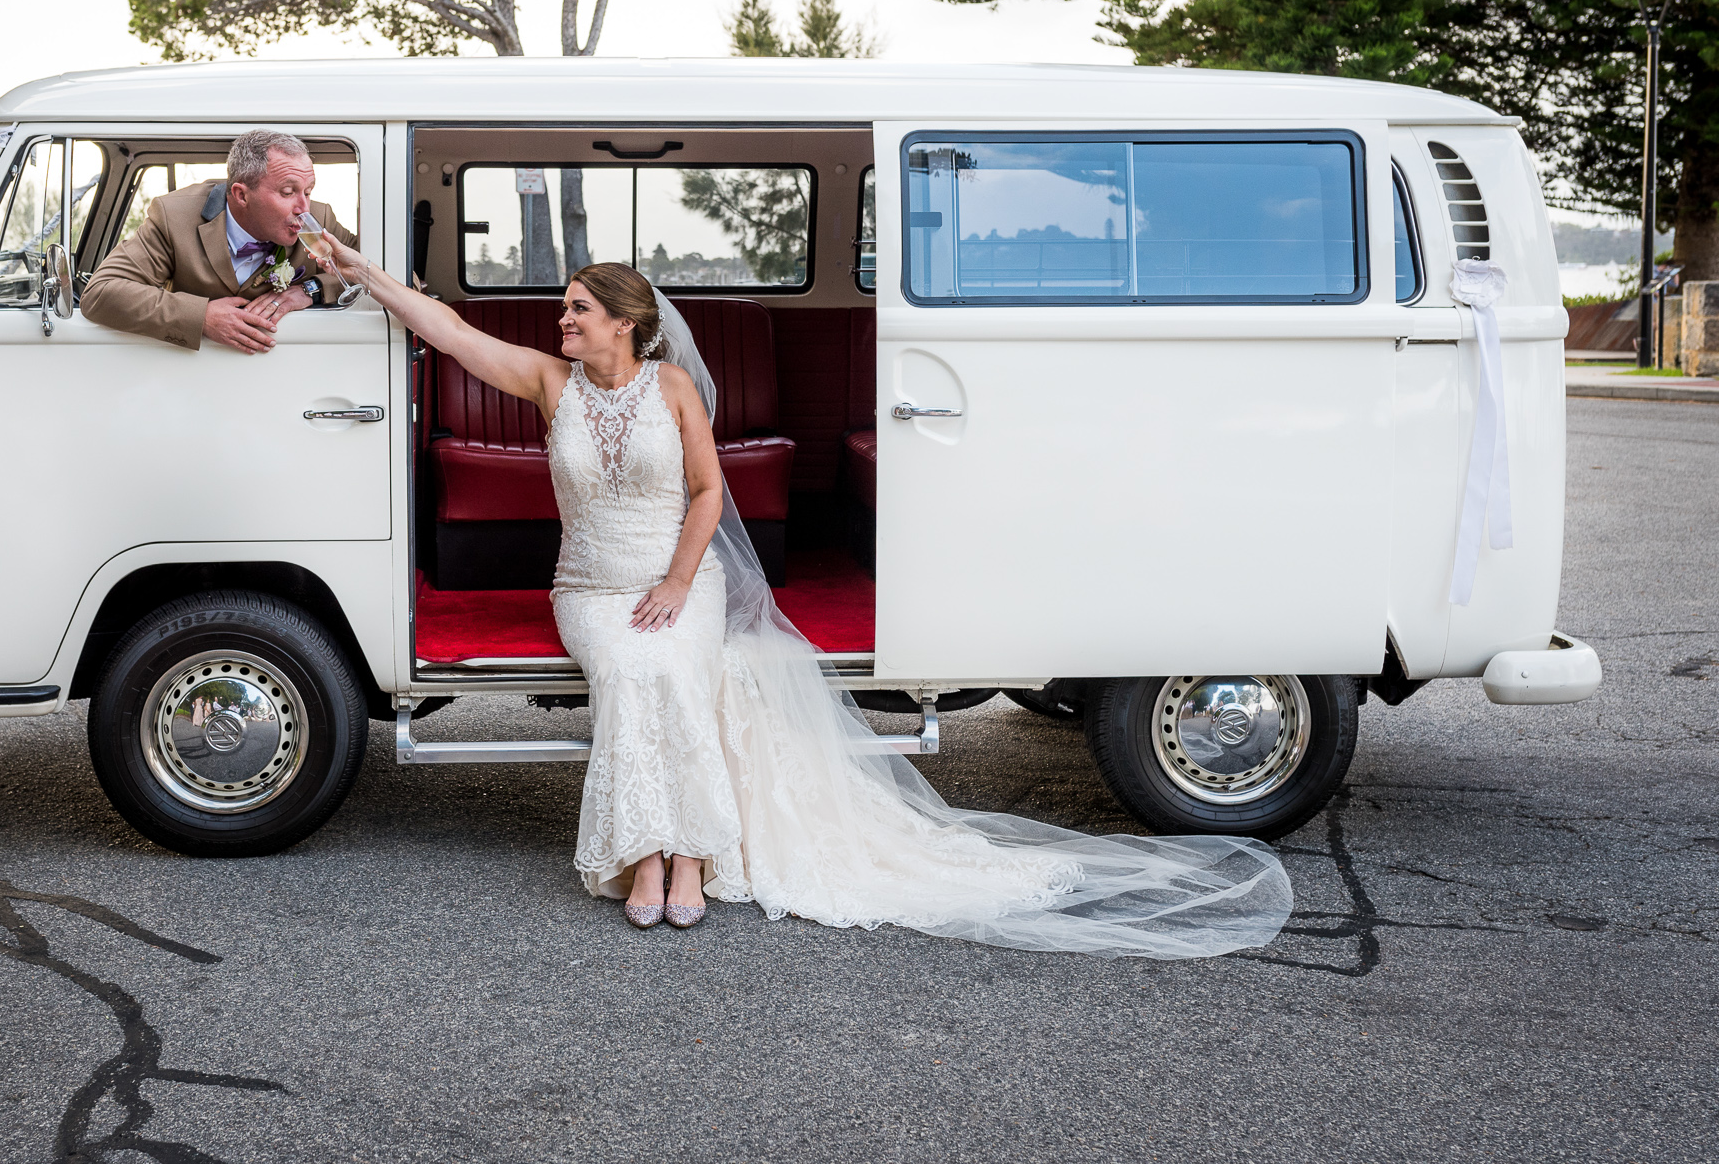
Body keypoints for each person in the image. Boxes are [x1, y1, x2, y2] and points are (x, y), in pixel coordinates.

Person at [314, 240, 1295, 957]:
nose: (559, 319)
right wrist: (362, 272)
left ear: (622, 319)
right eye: (563, 309)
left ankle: (683, 858)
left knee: (678, 658)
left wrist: (675, 580)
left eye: (576, 307)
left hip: (674, 579)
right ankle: (642, 853)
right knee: (626, 664)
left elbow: (707, 492)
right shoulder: (545, 380)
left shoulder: (670, 392)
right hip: (587, 586)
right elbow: (442, 326)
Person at [82, 130, 355, 353]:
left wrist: (310, 289)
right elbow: (101, 292)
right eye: (287, 192)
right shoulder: (174, 217)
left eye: (308, 191)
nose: (303, 207)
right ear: (241, 195)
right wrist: (201, 317)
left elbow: (375, 269)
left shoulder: (319, 219)